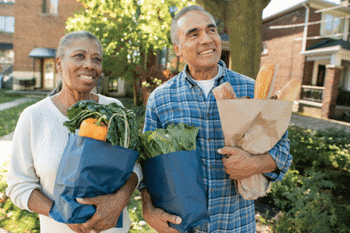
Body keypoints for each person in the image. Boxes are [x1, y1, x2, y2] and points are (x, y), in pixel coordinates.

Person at [140, 5, 292, 233]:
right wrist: (147, 208)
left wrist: (256, 164)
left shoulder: (252, 89)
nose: (207, 39)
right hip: (182, 227)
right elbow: (148, 165)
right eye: (194, 34)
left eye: (211, 31)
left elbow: (283, 152)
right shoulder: (160, 99)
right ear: (177, 49)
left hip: (236, 225)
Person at [6, 31, 142, 233]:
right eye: (80, 56)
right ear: (59, 64)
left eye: (96, 59)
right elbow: (19, 186)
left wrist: (120, 199)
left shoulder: (114, 111)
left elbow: (136, 166)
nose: (89, 65)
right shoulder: (34, 117)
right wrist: (60, 213)